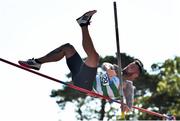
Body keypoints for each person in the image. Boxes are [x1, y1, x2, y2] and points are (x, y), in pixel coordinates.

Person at [18, 10, 143, 112]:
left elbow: (130, 101)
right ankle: (37, 62)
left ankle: (83, 24)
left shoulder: (128, 85)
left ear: (136, 74)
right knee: (67, 48)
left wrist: (128, 106)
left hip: (87, 85)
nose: (128, 66)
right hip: (81, 75)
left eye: (132, 67)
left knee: (94, 57)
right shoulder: (117, 69)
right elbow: (106, 65)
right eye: (130, 64)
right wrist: (109, 69)